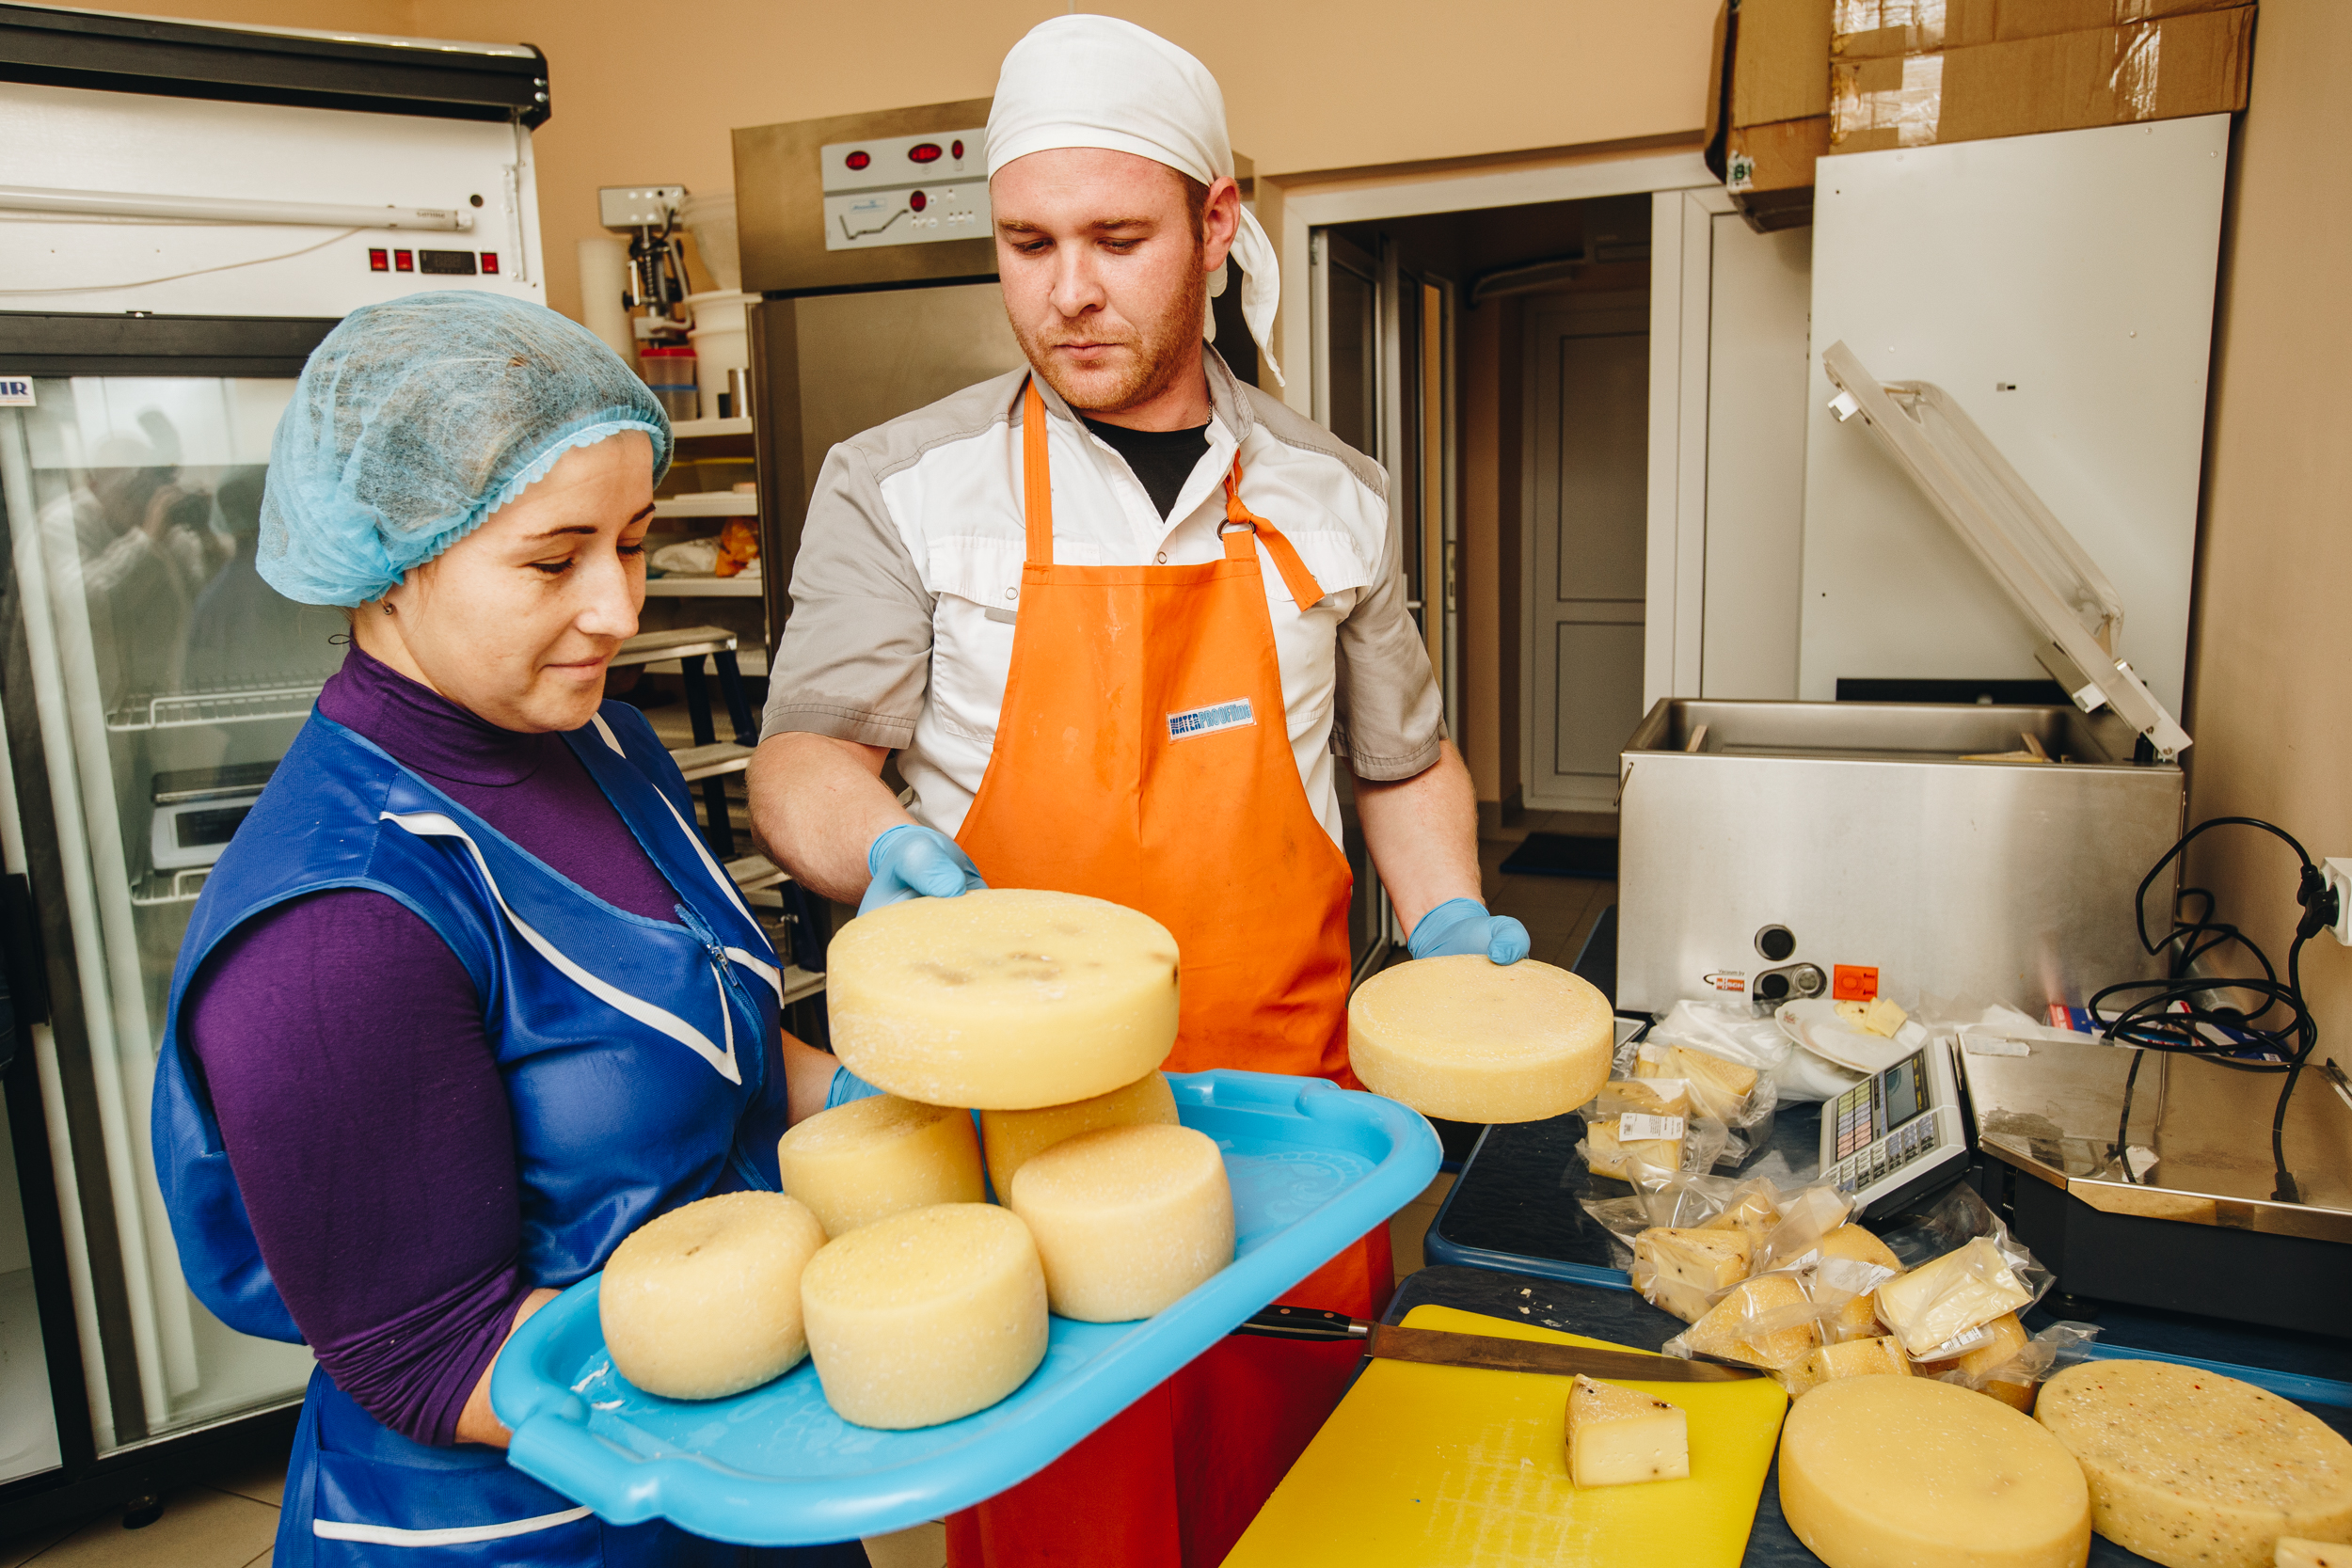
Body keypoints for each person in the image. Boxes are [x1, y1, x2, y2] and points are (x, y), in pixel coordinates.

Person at [747, 18, 1529, 1565]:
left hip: (1292, 1130)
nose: (1068, 291)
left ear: (1219, 223)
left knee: (1300, 1499)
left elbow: (1403, 757)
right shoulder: (902, 485)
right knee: (1070, 1522)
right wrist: (880, 840)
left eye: (1117, 237)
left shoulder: (1332, 494)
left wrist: (1447, 921)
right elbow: (804, 758)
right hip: (1026, 1142)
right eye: (1027, 244)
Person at [149, 293, 861, 1568]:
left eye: (635, 544)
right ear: (395, 552)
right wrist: (852, 1359)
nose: (616, 611)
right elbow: (430, 1358)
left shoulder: (603, 744)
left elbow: (720, 1054)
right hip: (533, 1524)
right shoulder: (336, 928)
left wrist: (880, 1106)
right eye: (554, 559)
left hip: (740, 1474)